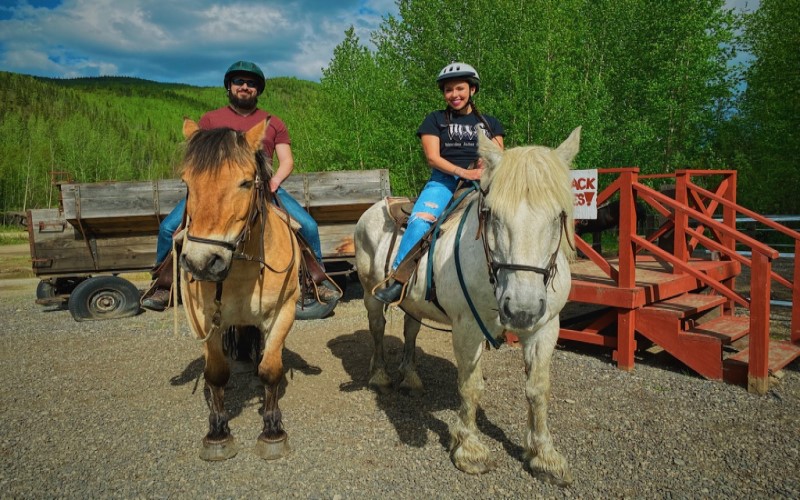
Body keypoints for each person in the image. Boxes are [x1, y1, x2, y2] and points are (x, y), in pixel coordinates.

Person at [142, 60, 341, 311]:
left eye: (251, 83)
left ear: (258, 90)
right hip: (215, 192)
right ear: (229, 86)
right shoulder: (211, 120)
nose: (245, 87)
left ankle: (315, 282)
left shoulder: (273, 122)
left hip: (264, 189)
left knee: (308, 227)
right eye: (239, 82)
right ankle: (164, 285)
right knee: (168, 228)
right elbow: (198, 160)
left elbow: (287, 160)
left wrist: (274, 182)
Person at [375, 62, 505, 304]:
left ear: (472, 90)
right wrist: (463, 173)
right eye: (448, 90)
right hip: (444, 182)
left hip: (483, 181)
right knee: (419, 222)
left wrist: (484, 165)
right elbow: (433, 157)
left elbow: (499, 155)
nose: (454, 95)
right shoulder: (434, 120)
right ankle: (398, 280)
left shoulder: (491, 124)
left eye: (460, 89)